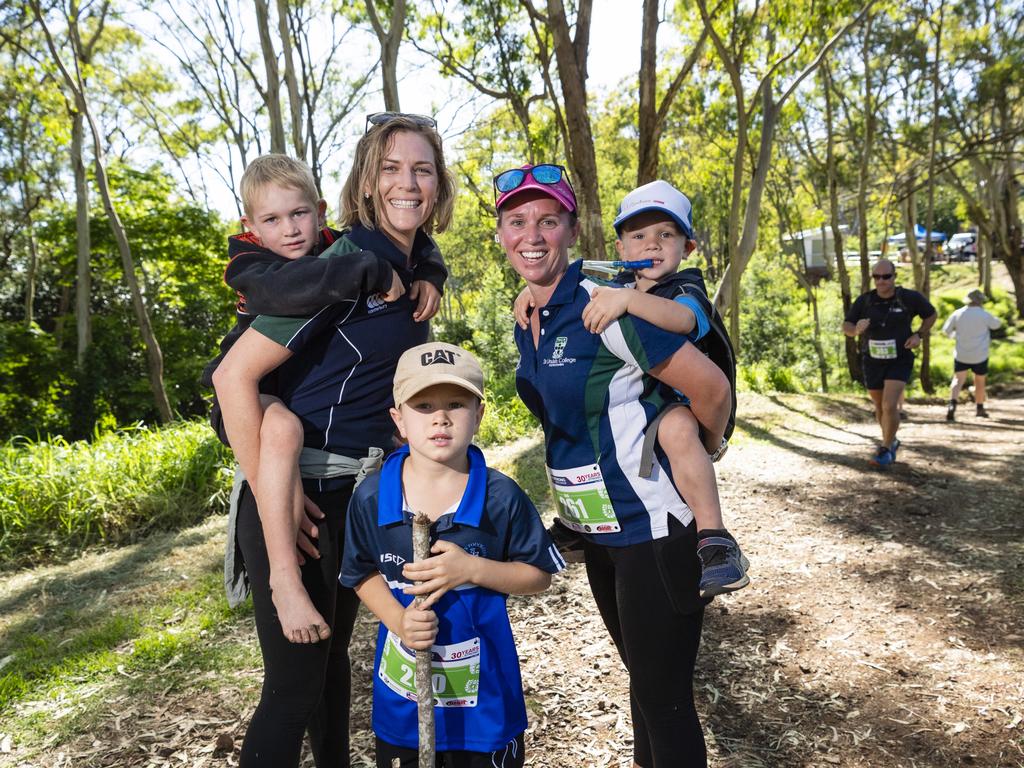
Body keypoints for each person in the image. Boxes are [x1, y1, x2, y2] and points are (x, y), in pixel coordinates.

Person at [212, 113, 455, 768]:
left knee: (329, 675)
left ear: (438, 184)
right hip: (298, 493)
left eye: (422, 168)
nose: (408, 182)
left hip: (357, 498)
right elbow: (233, 376)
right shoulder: (335, 267)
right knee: (291, 690)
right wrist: (273, 497)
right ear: (367, 183)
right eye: (392, 168)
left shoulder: (408, 268)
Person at [497, 162, 727, 767]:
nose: (533, 235)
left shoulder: (611, 304)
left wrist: (698, 445)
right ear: (501, 234)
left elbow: (710, 388)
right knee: (645, 689)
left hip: (652, 526)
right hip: (597, 532)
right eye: (517, 221)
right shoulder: (530, 317)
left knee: (665, 698)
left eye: (549, 221)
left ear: (573, 229)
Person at [516, 179, 746, 598]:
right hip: (648, 407)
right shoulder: (621, 279)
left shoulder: (684, 287)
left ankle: (715, 539)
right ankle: (573, 524)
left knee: (677, 431)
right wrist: (528, 295)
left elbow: (684, 321)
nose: (651, 245)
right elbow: (567, 278)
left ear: (687, 248)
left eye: (666, 235)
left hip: (686, 404)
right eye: (637, 236)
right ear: (620, 248)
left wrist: (627, 302)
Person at [341, 342, 563, 767]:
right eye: (423, 405)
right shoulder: (372, 496)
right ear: (398, 419)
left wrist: (473, 569)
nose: (440, 417)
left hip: (486, 711)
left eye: (456, 404)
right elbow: (360, 572)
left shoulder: (501, 498)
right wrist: (399, 621)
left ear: (478, 415)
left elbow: (538, 576)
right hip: (404, 707)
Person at [842, 258, 937, 467]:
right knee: (879, 406)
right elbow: (846, 326)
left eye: (886, 276)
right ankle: (891, 441)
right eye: (877, 277)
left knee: (889, 404)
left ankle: (885, 450)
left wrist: (919, 335)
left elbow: (931, 315)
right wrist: (856, 329)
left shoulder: (908, 298)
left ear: (894, 277)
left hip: (899, 359)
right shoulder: (865, 301)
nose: (882, 281)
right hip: (872, 360)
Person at [943, 288, 1002, 420]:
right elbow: (996, 325)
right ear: (980, 301)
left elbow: (946, 330)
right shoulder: (984, 314)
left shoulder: (958, 313)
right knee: (980, 381)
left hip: (961, 353)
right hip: (980, 354)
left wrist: (955, 336)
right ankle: (979, 408)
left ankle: (952, 405)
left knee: (958, 380)